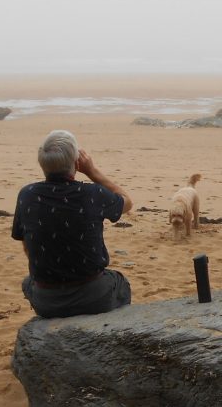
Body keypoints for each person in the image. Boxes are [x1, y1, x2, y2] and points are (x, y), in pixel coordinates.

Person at [12, 129, 133, 318]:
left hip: (46, 301)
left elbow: (27, 247)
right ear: (77, 163)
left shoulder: (27, 195)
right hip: (94, 296)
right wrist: (92, 171)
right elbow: (126, 201)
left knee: (27, 283)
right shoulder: (93, 194)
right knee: (121, 282)